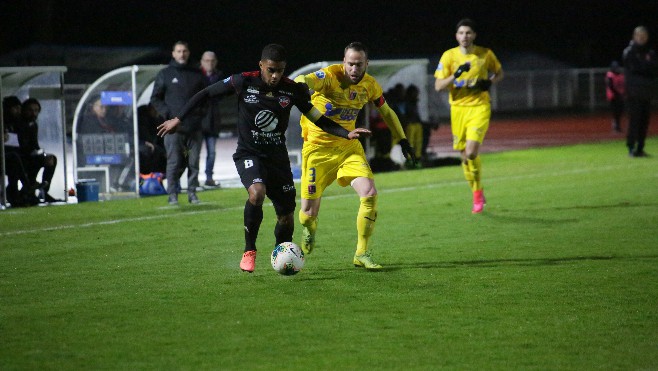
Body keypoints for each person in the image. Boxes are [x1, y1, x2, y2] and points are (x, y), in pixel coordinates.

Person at [157, 44, 370, 273]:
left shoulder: (291, 89)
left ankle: (282, 255)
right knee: (256, 193)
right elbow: (206, 93)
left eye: (279, 70)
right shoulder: (243, 81)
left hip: (277, 159)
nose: (275, 75)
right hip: (249, 154)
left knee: (286, 217)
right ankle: (250, 250)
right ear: (261, 66)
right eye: (271, 70)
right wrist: (178, 118)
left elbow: (318, 118)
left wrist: (345, 132)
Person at [294, 41, 416, 270]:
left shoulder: (370, 85)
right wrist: (300, 85)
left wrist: (403, 139)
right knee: (308, 213)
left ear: (366, 64)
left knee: (369, 193)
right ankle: (309, 229)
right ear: (343, 62)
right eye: (350, 64)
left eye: (359, 64)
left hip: (349, 148)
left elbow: (387, 112)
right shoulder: (329, 76)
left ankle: (362, 252)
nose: (354, 69)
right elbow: (304, 80)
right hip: (317, 151)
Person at [434, 18, 503, 214]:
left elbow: (499, 73)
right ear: (456, 36)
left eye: (468, 33)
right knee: (465, 157)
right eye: (461, 33)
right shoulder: (448, 56)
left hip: (480, 107)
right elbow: (438, 86)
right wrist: (456, 75)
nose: (465, 36)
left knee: (472, 152)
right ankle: (477, 192)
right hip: (458, 110)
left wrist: (489, 82)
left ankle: (477, 195)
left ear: (474, 35)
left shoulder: (485, 54)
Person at [150, 41, 207, 204]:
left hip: (194, 127)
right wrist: (168, 115)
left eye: (185, 51)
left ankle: (192, 193)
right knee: (174, 162)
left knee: (193, 163)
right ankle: (172, 194)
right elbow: (155, 98)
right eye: (179, 51)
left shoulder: (197, 74)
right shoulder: (165, 74)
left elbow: (207, 98)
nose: (182, 54)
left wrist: (200, 114)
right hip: (173, 129)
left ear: (188, 53)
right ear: (173, 54)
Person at [16, 98, 60, 203]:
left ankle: (44, 190)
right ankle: (29, 190)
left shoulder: (33, 125)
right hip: (20, 156)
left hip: (31, 155)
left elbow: (35, 145)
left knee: (51, 159)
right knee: (32, 162)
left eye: (36, 111)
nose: (34, 113)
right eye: (30, 110)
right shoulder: (18, 124)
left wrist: (42, 154)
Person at [622, 26, 658, 157]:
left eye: (644, 36)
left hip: (647, 92)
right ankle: (631, 147)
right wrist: (647, 67)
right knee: (634, 121)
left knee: (644, 121)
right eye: (639, 36)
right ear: (634, 37)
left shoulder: (650, 52)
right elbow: (637, 68)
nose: (642, 39)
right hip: (633, 92)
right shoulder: (629, 52)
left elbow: (654, 68)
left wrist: (646, 67)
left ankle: (640, 148)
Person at [199, 51, 225, 187]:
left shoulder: (219, 76)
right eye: (207, 60)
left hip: (213, 120)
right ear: (202, 62)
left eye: (212, 60)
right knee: (194, 152)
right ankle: (193, 179)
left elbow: (221, 95)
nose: (209, 63)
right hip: (198, 120)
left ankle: (209, 177)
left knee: (212, 151)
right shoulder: (196, 75)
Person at [137, 103, 167, 174]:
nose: (158, 114)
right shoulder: (142, 119)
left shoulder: (157, 120)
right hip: (143, 145)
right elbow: (147, 137)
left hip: (154, 146)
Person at [403, 84, 424, 167]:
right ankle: (409, 159)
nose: (416, 95)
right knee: (410, 142)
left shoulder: (415, 102)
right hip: (410, 124)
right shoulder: (406, 103)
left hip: (417, 124)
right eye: (415, 93)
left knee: (418, 142)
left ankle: (417, 158)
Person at [605, 61, 625, 133]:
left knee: (620, 110)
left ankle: (617, 125)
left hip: (620, 95)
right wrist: (618, 93)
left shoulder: (621, 75)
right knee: (615, 111)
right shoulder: (610, 75)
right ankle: (616, 125)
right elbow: (611, 86)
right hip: (613, 96)